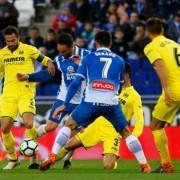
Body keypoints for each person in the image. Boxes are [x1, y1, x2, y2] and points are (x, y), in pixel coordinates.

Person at [39, 30, 151, 173]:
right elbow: (119, 87)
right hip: (111, 103)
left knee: (69, 124)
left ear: (96, 43)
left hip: (91, 102)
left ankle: (52, 155)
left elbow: (75, 83)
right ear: (110, 43)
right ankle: (144, 165)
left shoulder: (88, 58)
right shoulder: (120, 60)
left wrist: (65, 104)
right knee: (126, 132)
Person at [44, 63, 144, 170]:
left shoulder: (134, 96)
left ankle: (113, 161)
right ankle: (48, 162)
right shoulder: (109, 88)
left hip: (113, 133)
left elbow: (139, 122)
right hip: (96, 126)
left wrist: (131, 137)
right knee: (68, 146)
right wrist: (85, 123)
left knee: (108, 166)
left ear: (127, 74)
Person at [17, 33, 90, 169]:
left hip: (82, 100)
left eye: (64, 51)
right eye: (59, 51)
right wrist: (28, 76)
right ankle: (31, 140)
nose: (61, 54)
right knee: (50, 126)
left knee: (75, 131)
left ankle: (67, 159)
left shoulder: (86, 55)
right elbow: (46, 74)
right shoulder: (59, 59)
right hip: (63, 98)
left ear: (72, 46)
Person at [0, 26, 55, 170]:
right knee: (5, 128)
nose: (10, 43)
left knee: (28, 124)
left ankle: (33, 159)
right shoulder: (2, 53)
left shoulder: (29, 49)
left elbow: (44, 59)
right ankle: (13, 159)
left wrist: (49, 63)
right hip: (8, 95)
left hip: (26, 92)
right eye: (8, 41)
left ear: (18, 37)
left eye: (13, 40)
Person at [144, 17, 180, 173]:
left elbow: (159, 64)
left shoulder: (151, 46)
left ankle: (166, 165)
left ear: (148, 32)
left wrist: (166, 89)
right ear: (163, 31)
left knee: (156, 125)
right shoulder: (176, 45)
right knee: (161, 124)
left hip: (173, 90)